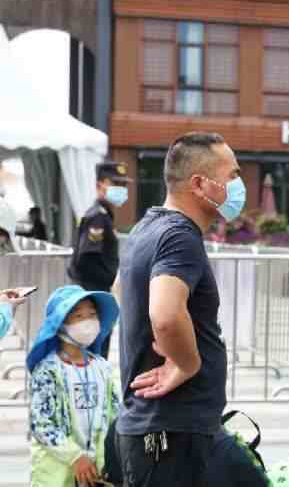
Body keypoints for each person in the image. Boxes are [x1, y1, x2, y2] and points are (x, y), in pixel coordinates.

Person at [116, 132, 245, 486]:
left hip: (169, 428)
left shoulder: (146, 228)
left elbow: (119, 289)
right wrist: (187, 364)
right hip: (170, 432)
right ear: (200, 183)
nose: (238, 185)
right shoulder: (179, 235)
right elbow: (166, 314)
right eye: (232, 175)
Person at [27, 285, 120, 487]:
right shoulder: (48, 370)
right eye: (78, 315)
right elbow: (42, 424)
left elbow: (116, 414)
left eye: (92, 314)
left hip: (97, 475)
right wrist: (75, 457)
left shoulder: (103, 368)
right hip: (58, 477)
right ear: (59, 324)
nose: (88, 321)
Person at [68, 161, 133, 359]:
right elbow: (87, 259)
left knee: (95, 350)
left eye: (124, 185)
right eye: (116, 184)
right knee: (94, 351)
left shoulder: (103, 215)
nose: (122, 190)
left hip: (95, 291)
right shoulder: (98, 217)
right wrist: (105, 284)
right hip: (93, 293)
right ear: (100, 185)